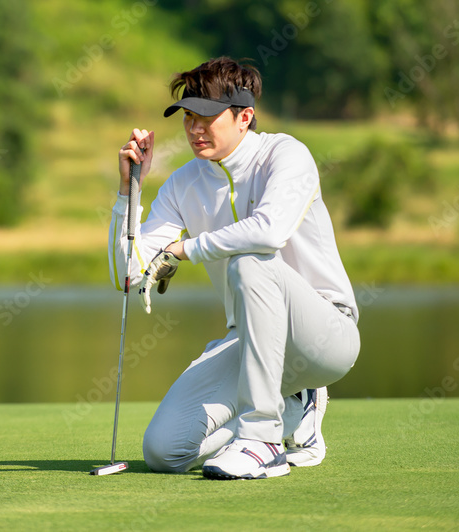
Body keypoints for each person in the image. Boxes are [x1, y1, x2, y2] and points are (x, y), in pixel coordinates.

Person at [108, 57, 360, 480]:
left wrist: (185, 250)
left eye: (206, 117)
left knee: (249, 262)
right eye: (188, 117)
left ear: (245, 117)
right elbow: (127, 276)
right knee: (163, 452)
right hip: (247, 340)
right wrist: (128, 191)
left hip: (324, 336)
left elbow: (268, 233)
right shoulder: (185, 181)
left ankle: (263, 440)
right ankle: (292, 414)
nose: (194, 129)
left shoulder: (286, 154)